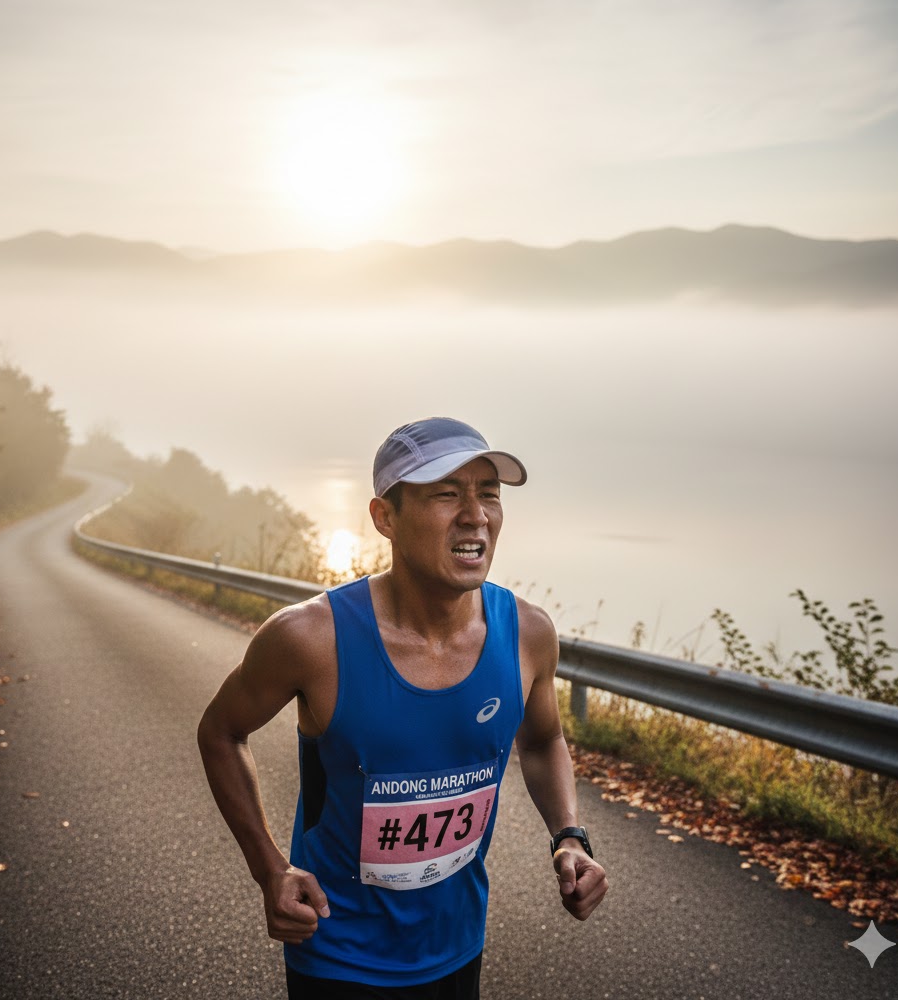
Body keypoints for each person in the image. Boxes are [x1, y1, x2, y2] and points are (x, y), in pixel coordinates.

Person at [198, 417, 608, 999]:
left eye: (488, 494)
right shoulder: (311, 639)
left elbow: (542, 741)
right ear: (385, 517)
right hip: (337, 952)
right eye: (446, 494)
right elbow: (220, 732)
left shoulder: (528, 634)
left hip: (458, 943)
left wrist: (569, 836)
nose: (475, 515)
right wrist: (270, 869)